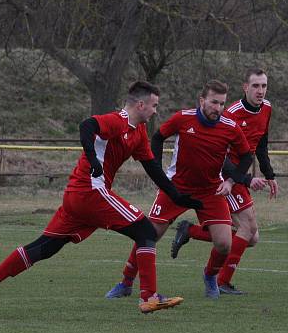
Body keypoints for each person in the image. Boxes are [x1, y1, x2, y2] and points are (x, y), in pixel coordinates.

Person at [0, 81, 202, 316]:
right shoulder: (118, 120)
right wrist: (92, 160)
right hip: (90, 192)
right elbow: (86, 126)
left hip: (77, 196)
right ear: (140, 105)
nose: (155, 111)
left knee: (45, 247)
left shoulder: (139, 132)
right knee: (146, 232)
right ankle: (149, 297)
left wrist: (177, 196)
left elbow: (152, 168)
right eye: (154, 105)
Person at [104, 80, 254, 301]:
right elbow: (157, 138)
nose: (218, 108)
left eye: (222, 104)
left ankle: (210, 276)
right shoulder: (183, 118)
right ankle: (126, 282)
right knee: (149, 234)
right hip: (176, 188)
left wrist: (231, 182)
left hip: (210, 191)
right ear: (202, 100)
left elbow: (246, 156)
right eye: (214, 102)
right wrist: (159, 174)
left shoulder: (229, 127)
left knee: (224, 244)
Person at [170, 68, 277, 295]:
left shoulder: (266, 108)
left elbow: (262, 143)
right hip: (226, 173)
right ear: (245, 87)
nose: (260, 91)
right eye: (256, 86)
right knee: (247, 228)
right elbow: (221, 155)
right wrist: (244, 179)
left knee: (251, 237)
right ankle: (220, 281)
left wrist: (269, 174)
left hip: (239, 174)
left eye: (264, 86)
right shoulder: (230, 113)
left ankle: (190, 231)